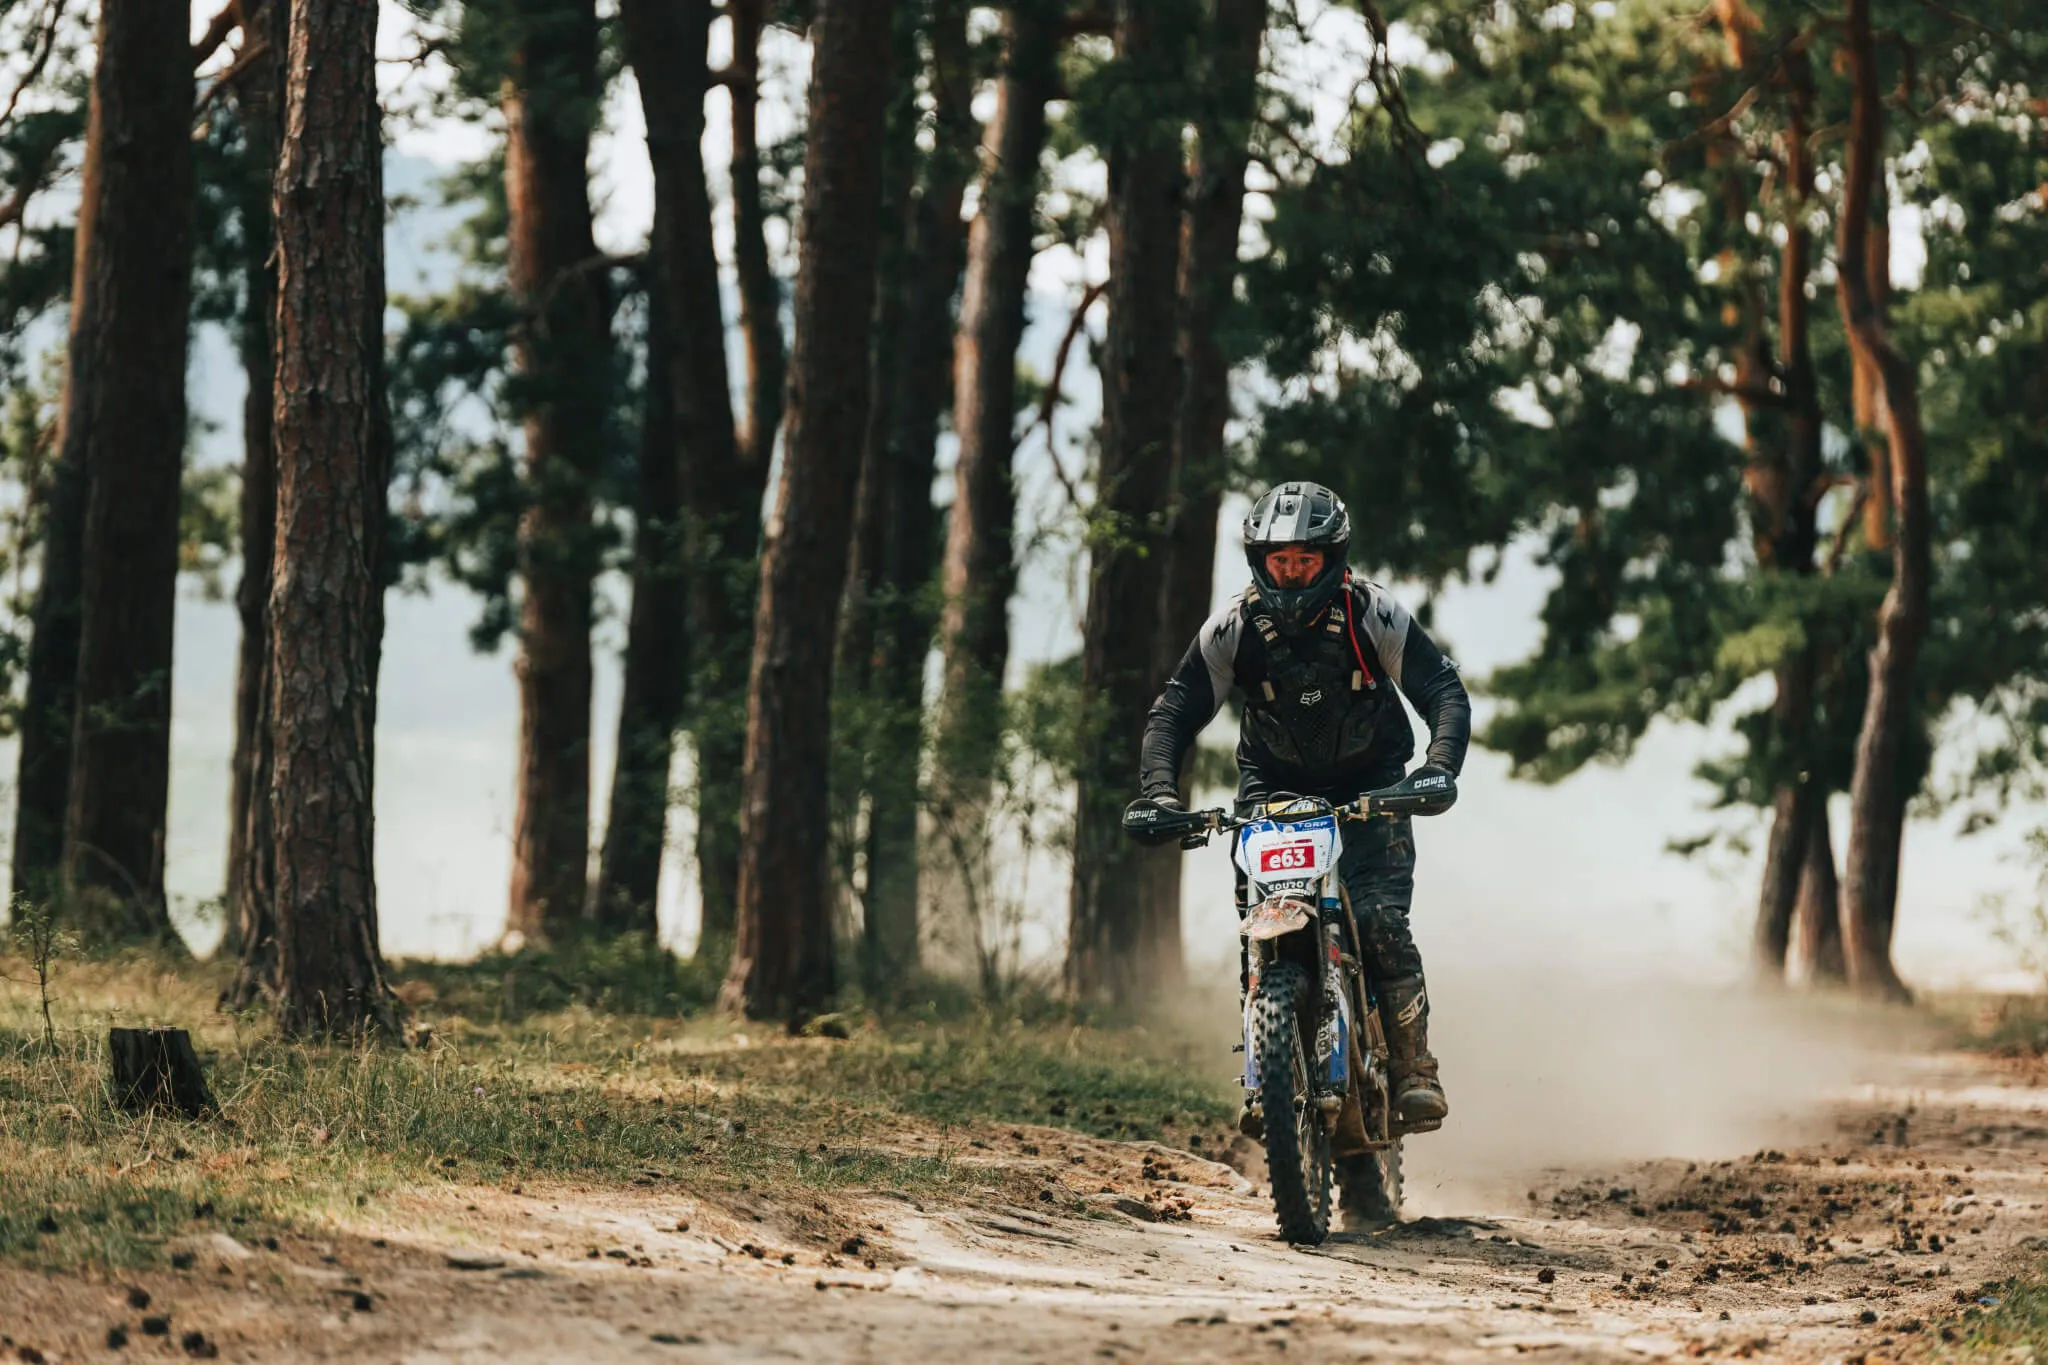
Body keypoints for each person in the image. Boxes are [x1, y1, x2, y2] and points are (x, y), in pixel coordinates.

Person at [1135, 480, 1470, 1131]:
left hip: (1372, 788)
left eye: (1304, 561)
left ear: (1331, 558)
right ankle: (1267, 1064)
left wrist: (1437, 768)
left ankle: (1413, 1067)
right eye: (1279, 560)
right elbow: (1175, 709)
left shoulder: (1373, 612)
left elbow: (1442, 691)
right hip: (1272, 790)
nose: (1290, 574)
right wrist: (1158, 792)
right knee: (1258, 923)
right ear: (1259, 559)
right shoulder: (1233, 627)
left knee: (1378, 920)